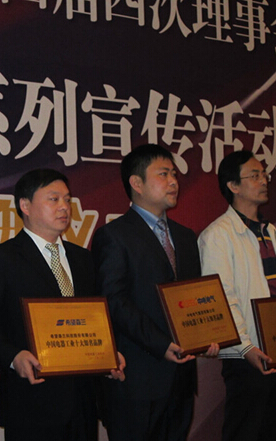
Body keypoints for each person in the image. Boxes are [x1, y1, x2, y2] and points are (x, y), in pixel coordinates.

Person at [0, 168, 125, 441]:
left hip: (83, 400)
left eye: (67, 199)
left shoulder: (83, 259)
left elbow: (94, 319)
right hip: (32, 401)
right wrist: (12, 356)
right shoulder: (0, 259)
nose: (64, 207)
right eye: (53, 199)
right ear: (25, 205)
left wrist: (108, 353)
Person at [92, 143, 218, 441]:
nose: (174, 181)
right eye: (163, 174)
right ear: (136, 183)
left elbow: (194, 298)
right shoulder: (114, 235)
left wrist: (206, 335)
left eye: (174, 174)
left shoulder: (185, 237)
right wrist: (161, 344)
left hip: (181, 380)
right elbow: (114, 302)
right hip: (137, 380)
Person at [198, 150, 276, 441]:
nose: (264, 180)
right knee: (245, 431)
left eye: (264, 174)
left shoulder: (271, 231)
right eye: (254, 175)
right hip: (247, 355)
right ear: (233, 186)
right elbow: (222, 298)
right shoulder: (217, 235)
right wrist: (245, 348)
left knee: (275, 430)